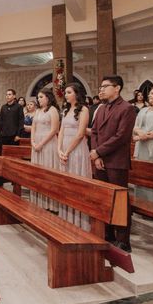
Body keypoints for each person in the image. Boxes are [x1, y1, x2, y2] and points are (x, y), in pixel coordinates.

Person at [90, 75, 137, 252]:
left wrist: (99, 151)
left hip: (116, 161)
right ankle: (107, 233)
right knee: (103, 198)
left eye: (105, 86)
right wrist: (97, 155)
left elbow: (121, 136)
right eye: (100, 87)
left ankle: (123, 239)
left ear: (117, 88)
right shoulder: (101, 108)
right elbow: (94, 132)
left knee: (119, 200)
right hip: (100, 160)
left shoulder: (127, 108)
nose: (101, 90)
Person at [58, 84, 91, 230]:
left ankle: (80, 219)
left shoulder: (84, 110)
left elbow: (80, 133)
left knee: (77, 181)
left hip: (77, 149)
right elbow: (61, 131)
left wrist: (67, 151)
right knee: (66, 183)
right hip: (64, 148)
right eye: (65, 92)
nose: (66, 95)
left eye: (69, 92)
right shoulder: (65, 110)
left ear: (77, 94)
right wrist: (59, 149)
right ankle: (66, 216)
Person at [31, 89, 60, 211]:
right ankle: (38, 202)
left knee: (47, 172)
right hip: (36, 144)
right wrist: (33, 142)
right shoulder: (37, 111)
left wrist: (41, 143)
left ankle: (50, 204)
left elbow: (54, 130)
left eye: (41, 97)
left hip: (48, 144)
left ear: (48, 97)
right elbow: (33, 127)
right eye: (38, 97)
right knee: (37, 174)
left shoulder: (53, 110)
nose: (39, 99)